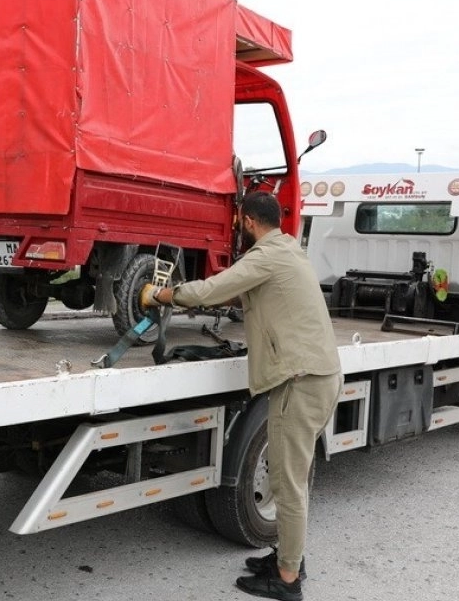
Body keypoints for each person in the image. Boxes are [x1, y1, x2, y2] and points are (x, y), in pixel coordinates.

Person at [141, 191, 341, 601]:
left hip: (300, 382)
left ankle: (287, 581)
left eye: (238, 221)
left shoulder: (264, 257)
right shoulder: (287, 250)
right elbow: (240, 292)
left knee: (287, 484)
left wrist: (162, 295)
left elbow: (214, 287)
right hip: (317, 376)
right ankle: (288, 556)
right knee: (291, 478)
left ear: (248, 221)